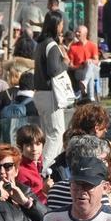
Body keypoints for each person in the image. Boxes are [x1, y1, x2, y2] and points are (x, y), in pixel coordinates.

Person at [32, 11, 70, 163]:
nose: (62, 27)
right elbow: (54, 70)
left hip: (40, 93)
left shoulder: (40, 44)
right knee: (56, 134)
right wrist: (65, 63)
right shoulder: (51, 45)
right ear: (56, 25)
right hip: (50, 94)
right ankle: (47, 170)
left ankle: (43, 167)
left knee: (47, 134)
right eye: (60, 24)